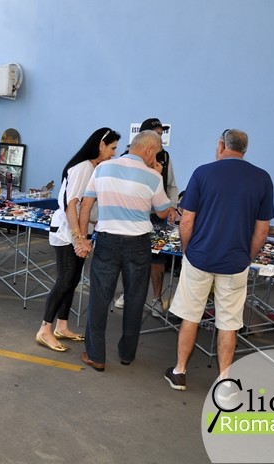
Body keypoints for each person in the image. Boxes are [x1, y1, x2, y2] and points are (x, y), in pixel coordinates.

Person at [164, 129, 274, 391]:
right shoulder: (262, 178)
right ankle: (224, 381)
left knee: (191, 316)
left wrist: (188, 250)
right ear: (245, 149)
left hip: (200, 257)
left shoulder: (203, 173)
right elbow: (262, 231)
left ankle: (180, 372)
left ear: (221, 145)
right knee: (229, 323)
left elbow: (186, 220)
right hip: (234, 262)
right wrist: (246, 257)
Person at [76, 130, 174, 371]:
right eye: (156, 153)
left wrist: (83, 239)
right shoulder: (152, 176)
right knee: (135, 298)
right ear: (148, 150)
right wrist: (158, 174)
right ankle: (127, 354)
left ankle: (96, 355)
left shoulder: (103, 168)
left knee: (99, 298)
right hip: (138, 244)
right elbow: (163, 211)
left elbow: (86, 206)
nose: (156, 159)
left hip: (107, 241)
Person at [35, 128, 120, 352]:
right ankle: (44, 329)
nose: (114, 153)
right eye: (112, 148)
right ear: (101, 145)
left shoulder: (93, 168)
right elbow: (71, 205)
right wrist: (78, 239)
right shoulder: (83, 168)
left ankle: (62, 326)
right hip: (67, 232)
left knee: (72, 281)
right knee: (65, 280)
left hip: (80, 232)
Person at [114, 118, 178, 314]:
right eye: (156, 134)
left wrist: (172, 206)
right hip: (132, 215)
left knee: (157, 260)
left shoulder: (165, 157)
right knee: (128, 257)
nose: (160, 138)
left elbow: (171, 185)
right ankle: (127, 293)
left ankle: (156, 299)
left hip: (156, 216)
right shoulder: (125, 158)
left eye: (161, 134)